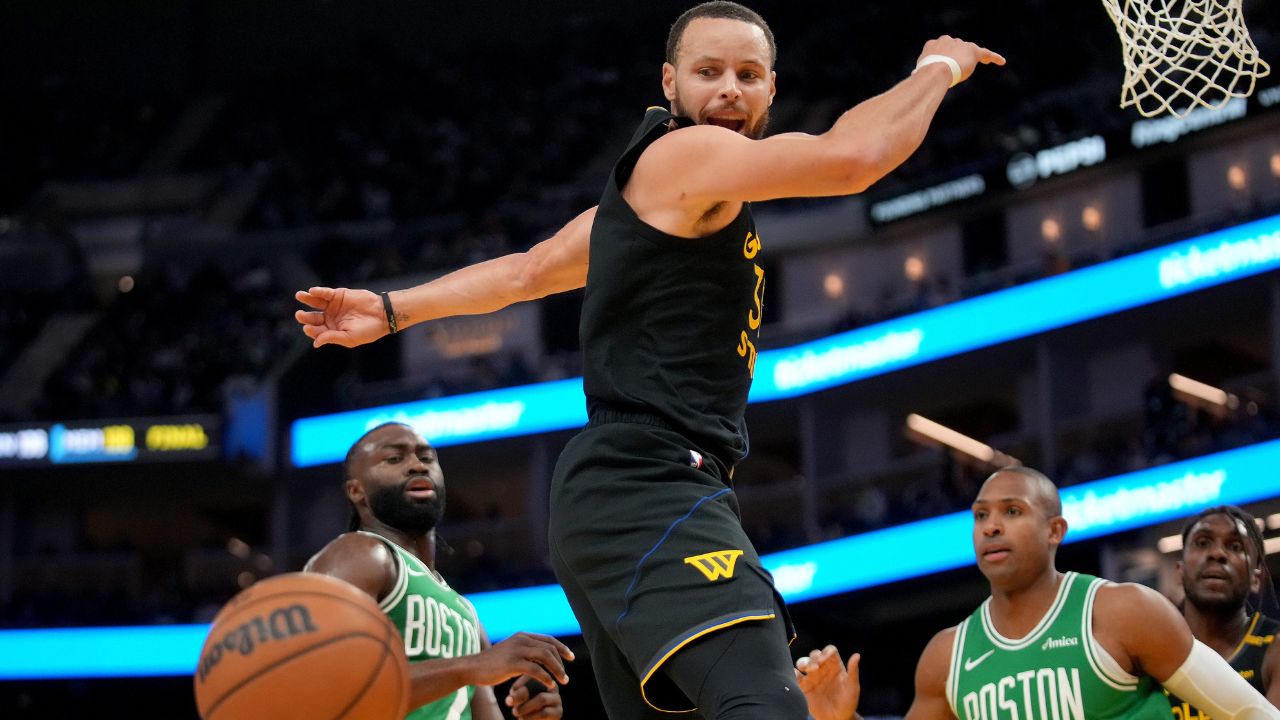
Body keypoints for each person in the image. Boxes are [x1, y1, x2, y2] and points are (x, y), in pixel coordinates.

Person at [295, 3, 1004, 717]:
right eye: (708, 72)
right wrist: (937, 68)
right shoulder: (681, 157)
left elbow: (529, 272)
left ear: (771, 90)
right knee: (768, 704)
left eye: (749, 74)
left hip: (612, 494)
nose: (730, 88)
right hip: (650, 483)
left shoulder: (659, 193)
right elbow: (857, 158)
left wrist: (392, 310)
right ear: (670, 84)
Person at [793, 467, 1280, 720]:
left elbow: (1247, 710)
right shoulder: (947, 656)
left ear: (1055, 530)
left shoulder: (1124, 611)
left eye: (1012, 511)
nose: (992, 527)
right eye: (981, 515)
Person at [305, 422, 573, 720]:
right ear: (357, 491)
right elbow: (324, 687)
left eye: (427, 457)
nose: (416, 465)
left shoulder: (465, 613)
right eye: (394, 459)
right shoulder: (359, 554)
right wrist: (471, 666)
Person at [1170, 506, 1280, 716]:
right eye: (1203, 543)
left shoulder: (1275, 648)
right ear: (1180, 571)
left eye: (1236, 546)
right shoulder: (1151, 646)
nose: (1217, 553)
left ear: (1256, 578)